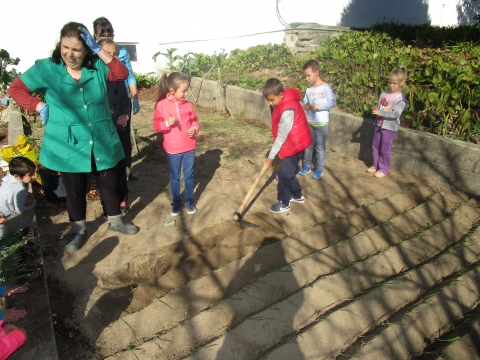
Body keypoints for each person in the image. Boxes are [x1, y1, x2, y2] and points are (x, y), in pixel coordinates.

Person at [7, 22, 139, 252]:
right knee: (75, 189)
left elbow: (121, 73)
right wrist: (37, 105)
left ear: (86, 49)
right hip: (68, 140)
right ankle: (79, 230)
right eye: (65, 47)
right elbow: (15, 89)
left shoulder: (97, 65)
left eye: (77, 49)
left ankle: (116, 222)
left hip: (101, 136)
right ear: (59, 45)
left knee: (109, 183)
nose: (70, 54)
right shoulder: (47, 68)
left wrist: (98, 49)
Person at [93, 17, 139, 181]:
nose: (107, 37)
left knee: (124, 136)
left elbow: (130, 75)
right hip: (103, 103)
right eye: (102, 34)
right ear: (95, 35)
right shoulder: (92, 55)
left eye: (110, 34)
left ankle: (126, 170)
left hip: (122, 98)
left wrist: (134, 96)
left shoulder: (121, 51)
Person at [153, 72, 200, 216]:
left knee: (189, 175)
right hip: (173, 149)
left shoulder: (188, 106)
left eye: (187, 90)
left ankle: (189, 201)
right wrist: (167, 122)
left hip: (189, 147)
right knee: (175, 176)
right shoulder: (162, 105)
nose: (186, 94)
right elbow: (156, 126)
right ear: (172, 90)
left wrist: (194, 129)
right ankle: (176, 202)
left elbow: (194, 122)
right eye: (183, 91)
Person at [262, 78, 312, 213]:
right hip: (295, 141)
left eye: (272, 100)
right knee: (288, 172)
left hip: (295, 145)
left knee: (283, 174)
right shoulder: (281, 102)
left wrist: (270, 158)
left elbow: (281, 137)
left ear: (281, 95)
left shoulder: (287, 110)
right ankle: (297, 195)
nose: (270, 103)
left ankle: (284, 202)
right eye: (268, 100)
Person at [98, 39, 131, 216]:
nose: (113, 57)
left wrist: (125, 116)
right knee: (105, 172)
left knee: (121, 166)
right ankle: (108, 206)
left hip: (119, 129)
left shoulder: (119, 78)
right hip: (103, 132)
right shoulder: (96, 76)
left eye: (116, 54)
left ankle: (123, 198)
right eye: (109, 53)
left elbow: (125, 101)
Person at [368, 66, 408, 178]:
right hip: (379, 124)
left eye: (394, 83)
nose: (391, 85)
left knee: (385, 148)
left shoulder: (400, 99)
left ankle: (384, 169)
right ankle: (375, 165)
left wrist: (381, 113)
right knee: (375, 145)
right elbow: (383, 107)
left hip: (389, 128)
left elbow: (395, 114)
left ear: (402, 82)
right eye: (390, 82)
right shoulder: (384, 94)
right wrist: (375, 109)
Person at [298, 59, 337, 179]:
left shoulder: (325, 88)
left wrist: (318, 106)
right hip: (310, 122)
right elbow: (305, 102)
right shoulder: (309, 90)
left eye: (309, 76)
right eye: (306, 76)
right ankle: (307, 165)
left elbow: (333, 102)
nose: (307, 79)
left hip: (321, 123)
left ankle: (319, 168)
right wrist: (306, 106)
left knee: (320, 147)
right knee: (308, 145)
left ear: (317, 72)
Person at [0, 157, 37, 239]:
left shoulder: (11, 177)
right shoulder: (19, 189)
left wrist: (28, 195)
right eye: (30, 175)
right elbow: (20, 209)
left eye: (33, 173)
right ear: (17, 176)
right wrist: (33, 200)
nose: (34, 177)